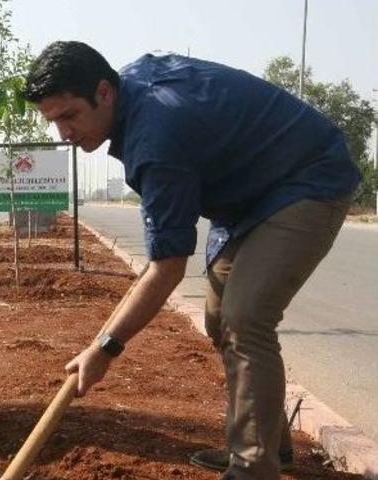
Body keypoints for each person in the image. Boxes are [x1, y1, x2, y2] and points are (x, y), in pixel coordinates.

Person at [22, 41, 359, 480]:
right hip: (246, 195)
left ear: (104, 92)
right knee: (219, 317)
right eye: (53, 121)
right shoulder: (133, 94)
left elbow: (166, 269)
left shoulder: (156, 139)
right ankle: (267, 445)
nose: (63, 133)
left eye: (70, 116)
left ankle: (253, 468)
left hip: (306, 179)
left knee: (245, 318)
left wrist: (104, 348)